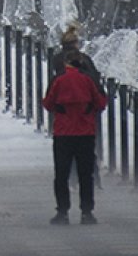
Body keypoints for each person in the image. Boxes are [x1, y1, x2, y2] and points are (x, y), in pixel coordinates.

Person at [42, 50, 108, 225]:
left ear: (66, 63)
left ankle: (62, 212)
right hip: (85, 133)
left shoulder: (59, 80)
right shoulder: (88, 80)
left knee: (61, 174)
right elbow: (101, 102)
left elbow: (48, 103)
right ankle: (87, 212)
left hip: (63, 133)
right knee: (86, 174)